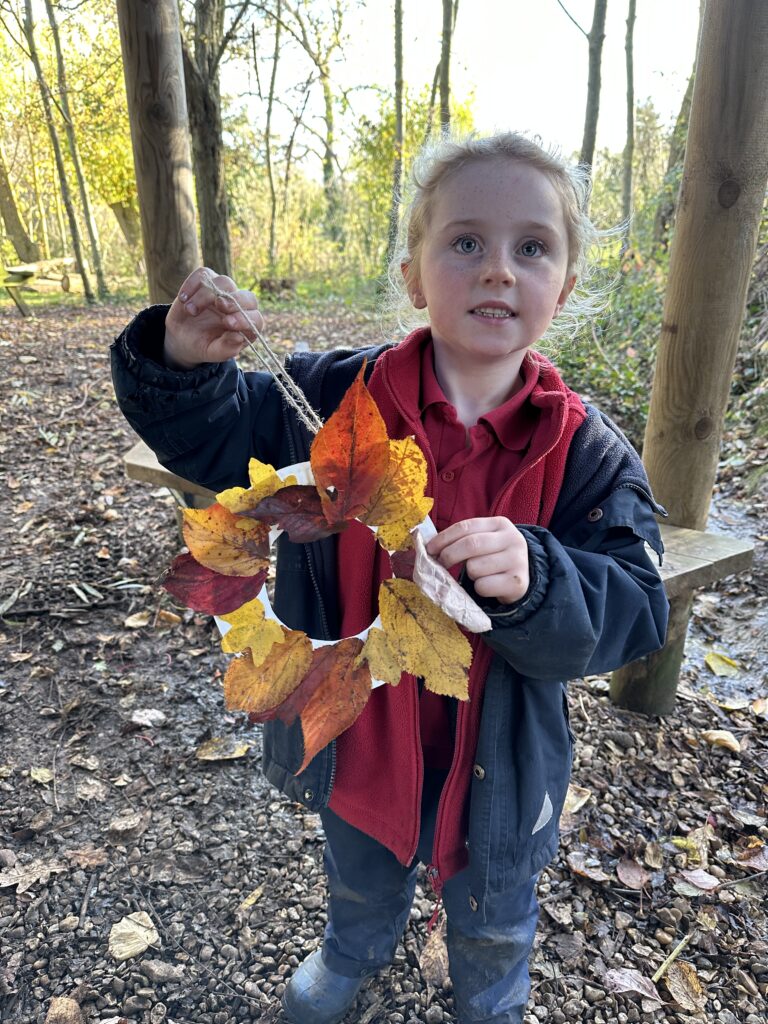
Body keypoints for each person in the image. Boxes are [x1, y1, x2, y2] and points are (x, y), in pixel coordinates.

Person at [112, 132, 669, 1024]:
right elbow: (215, 438)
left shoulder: (587, 455)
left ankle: (490, 992)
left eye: (531, 248)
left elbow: (637, 603)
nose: (497, 270)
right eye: (465, 243)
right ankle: (353, 950)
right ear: (414, 275)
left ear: (562, 289)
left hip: (502, 756)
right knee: (360, 859)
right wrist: (180, 363)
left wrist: (543, 576)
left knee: (495, 901)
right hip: (359, 728)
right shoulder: (332, 399)